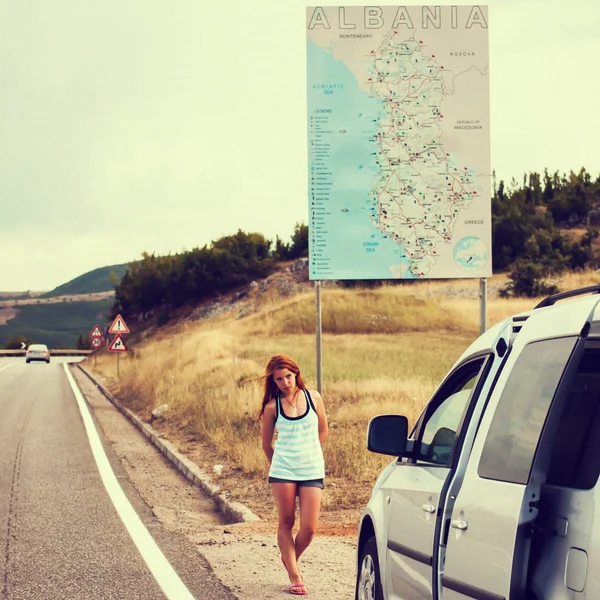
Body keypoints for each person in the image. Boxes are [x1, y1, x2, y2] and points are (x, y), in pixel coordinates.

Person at [259, 355, 328, 596]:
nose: (285, 382)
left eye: (288, 376)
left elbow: (322, 430)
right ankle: (295, 574)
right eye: (279, 379)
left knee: (309, 528)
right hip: (283, 471)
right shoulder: (271, 407)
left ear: (296, 374)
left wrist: (309, 453)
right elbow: (267, 444)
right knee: (286, 522)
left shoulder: (314, 397)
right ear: (274, 382)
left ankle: (290, 558)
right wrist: (279, 465)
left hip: (311, 468)